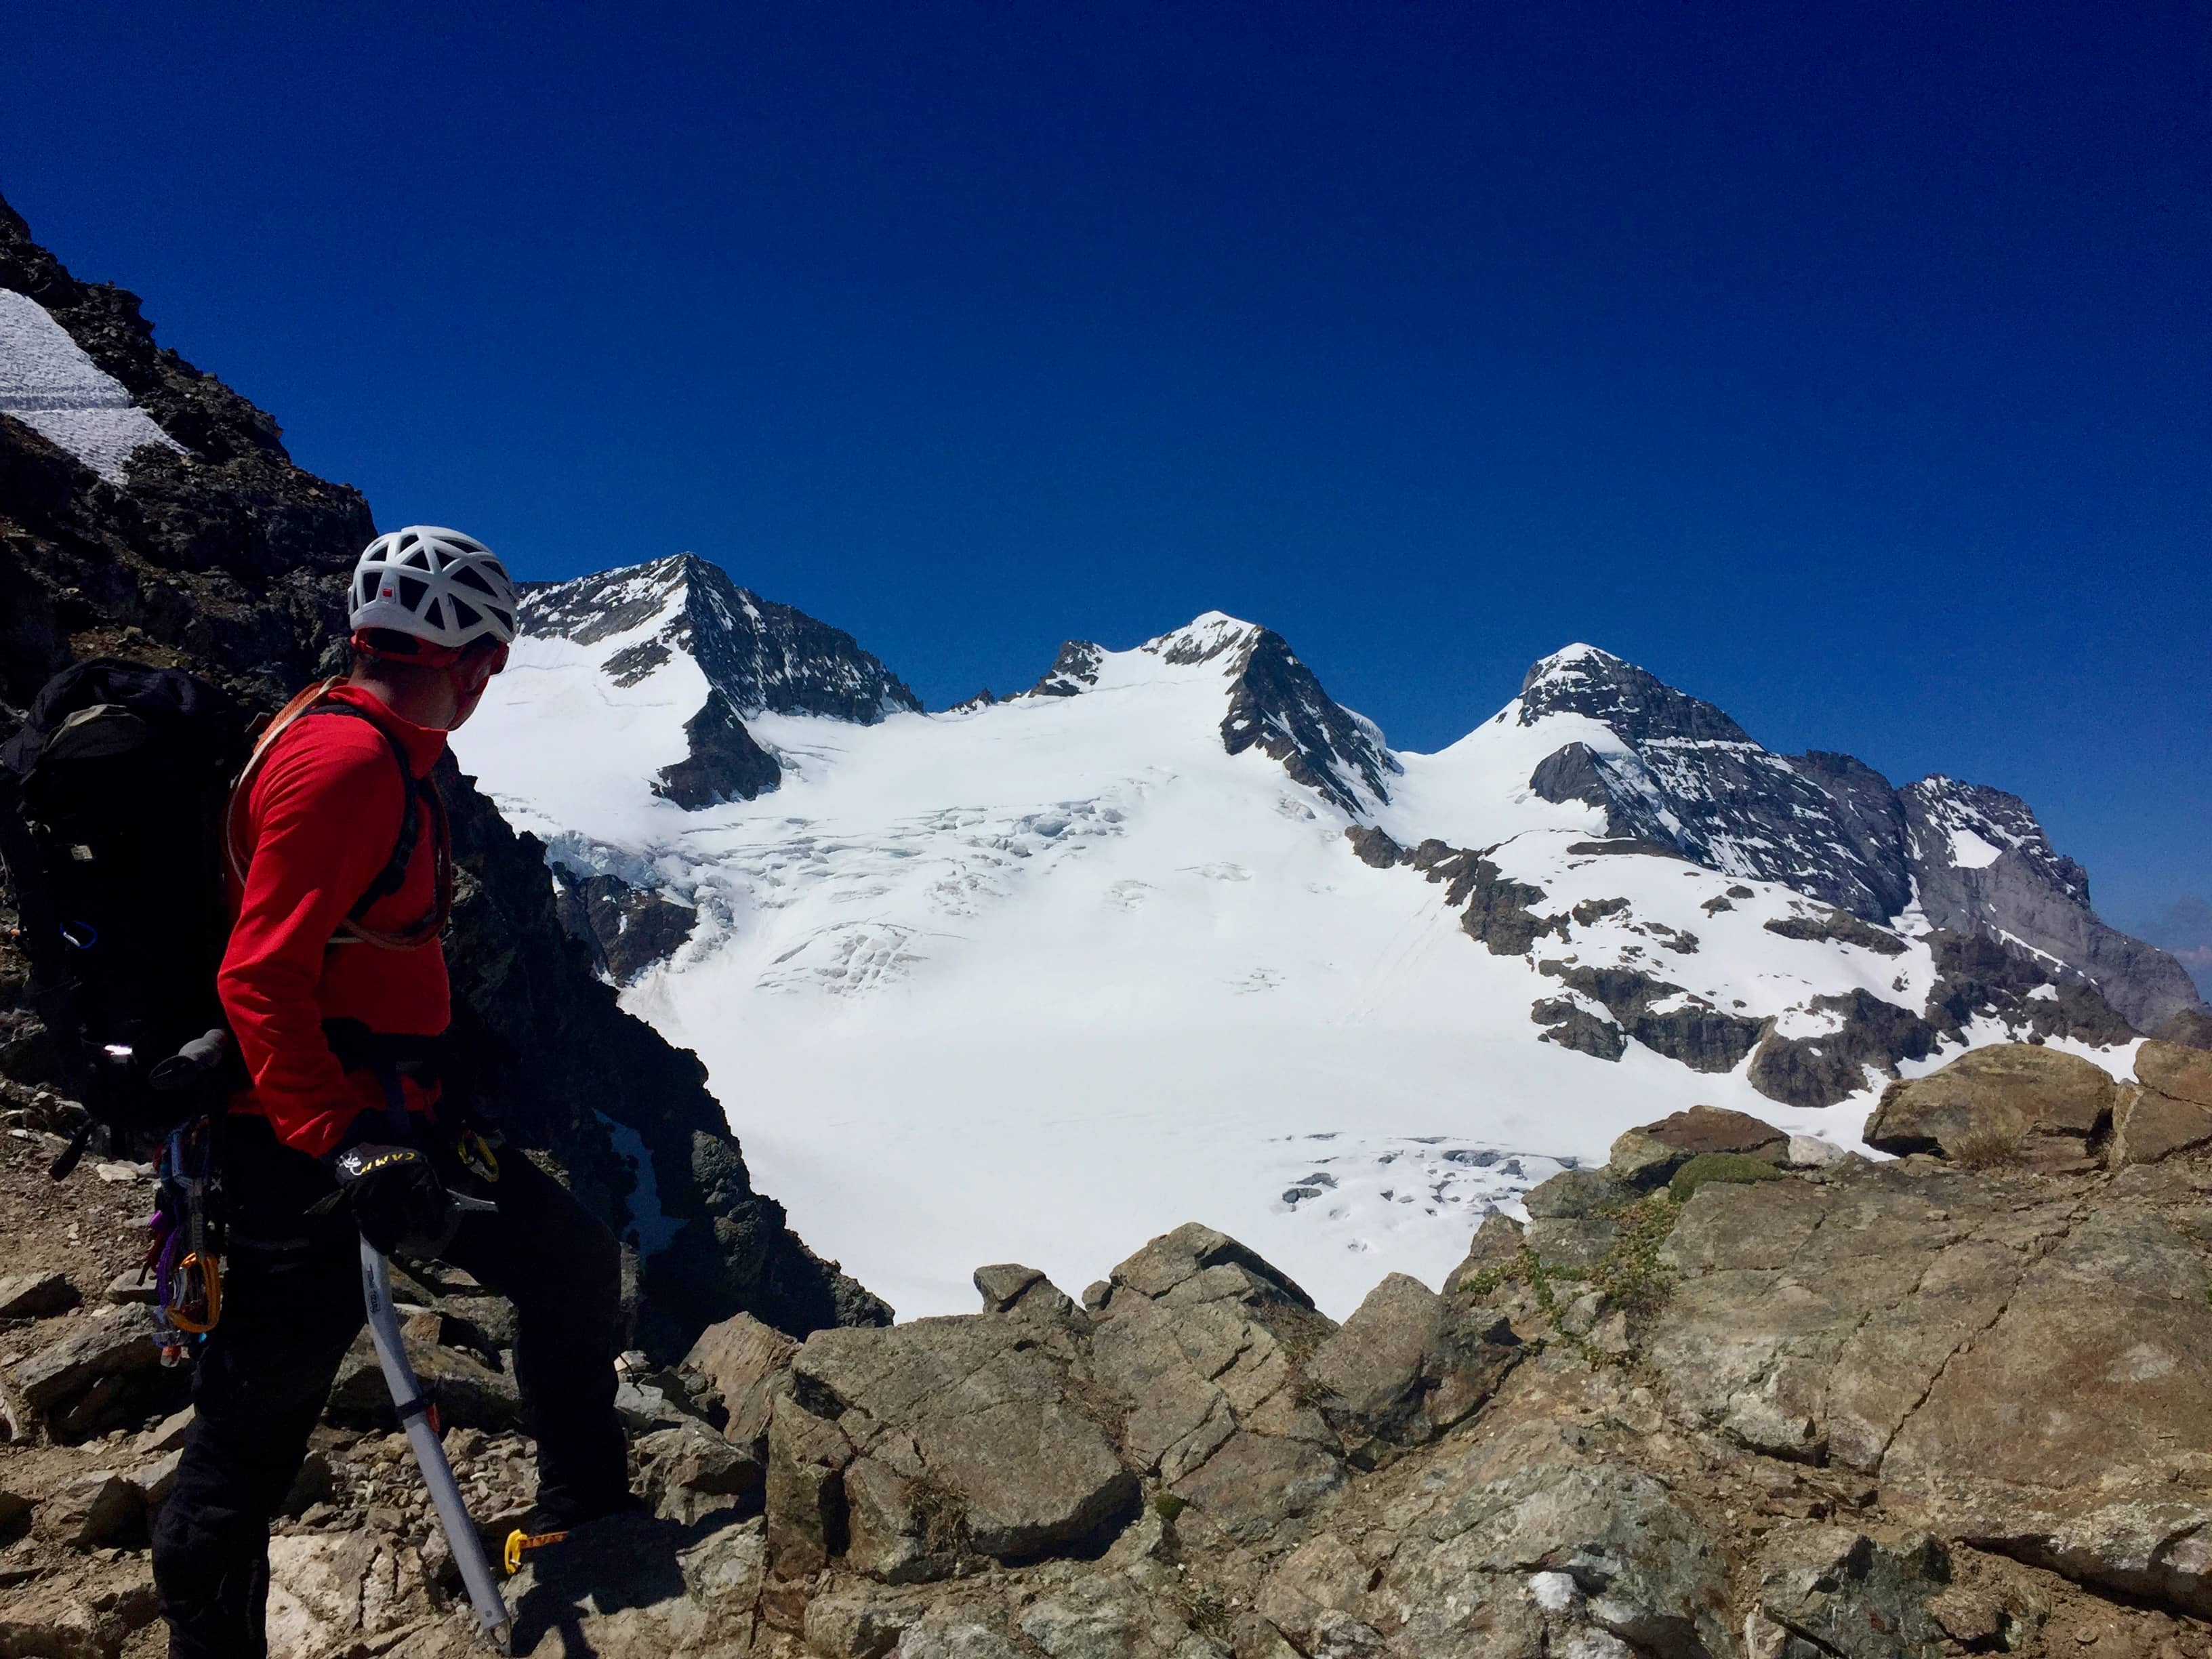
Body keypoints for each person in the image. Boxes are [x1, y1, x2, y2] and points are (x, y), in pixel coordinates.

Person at [152, 528, 633, 1659]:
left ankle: (581, 1521)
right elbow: (259, 973)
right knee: (254, 1430)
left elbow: (356, 945)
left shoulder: (357, 737)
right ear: (470, 658)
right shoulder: (352, 765)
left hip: (392, 1117)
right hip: (302, 1146)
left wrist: (446, 1055)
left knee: (565, 1257)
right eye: (494, 665)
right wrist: (346, 1143)